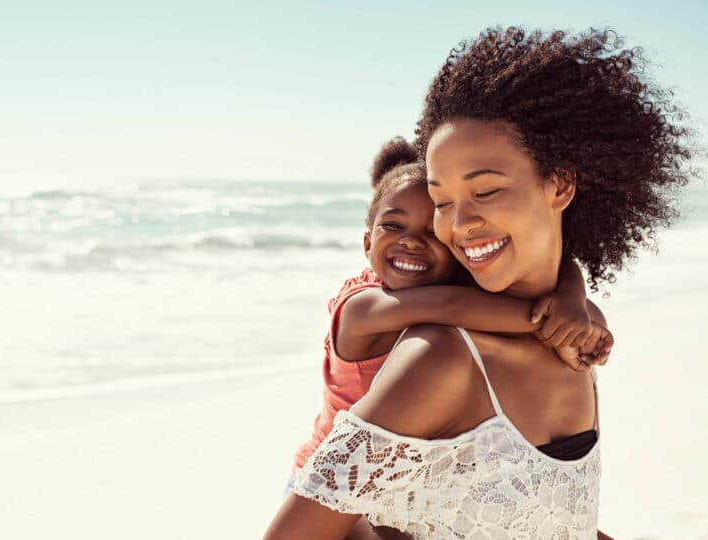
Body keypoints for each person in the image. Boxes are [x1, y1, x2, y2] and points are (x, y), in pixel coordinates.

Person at [266, 27, 692, 539]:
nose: (459, 225)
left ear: (559, 184)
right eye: (443, 201)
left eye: (486, 190)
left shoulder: (572, 340)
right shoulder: (439, 358)